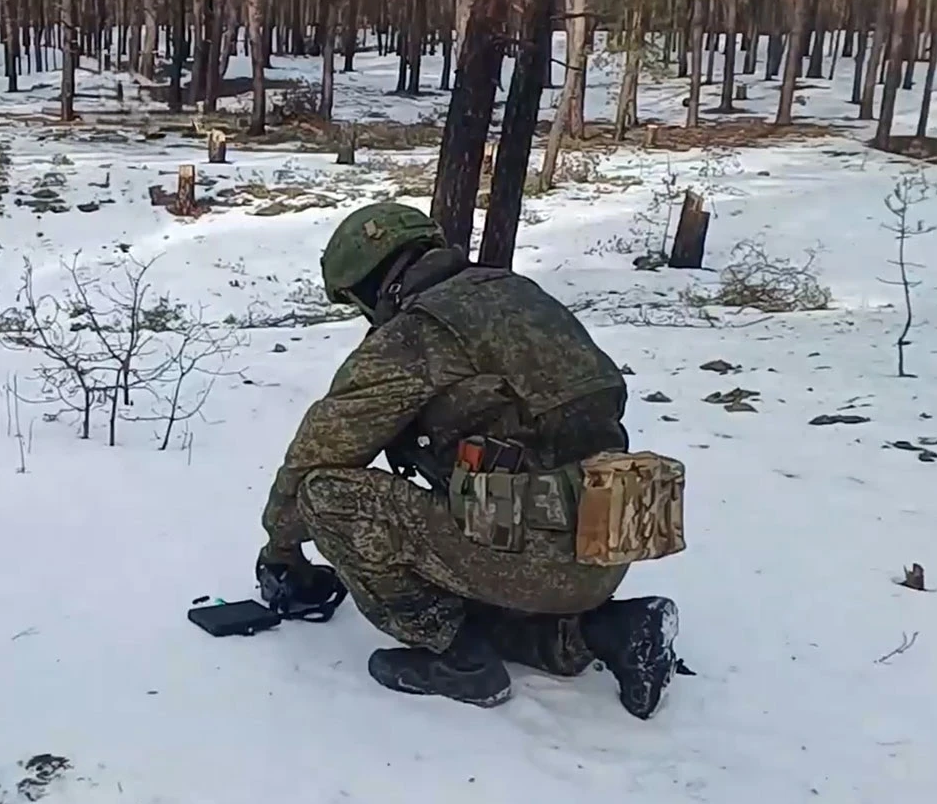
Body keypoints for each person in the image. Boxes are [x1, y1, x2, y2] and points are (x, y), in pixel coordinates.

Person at [255, 202, 683, 719]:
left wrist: (281, 547)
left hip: (527, 553)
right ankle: (606, 631)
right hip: (607, 546)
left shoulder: (419, 332)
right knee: (471, 545)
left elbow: (322, 449)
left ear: (367, 287)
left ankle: (458, 661)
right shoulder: (520, 295)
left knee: (325, 495)